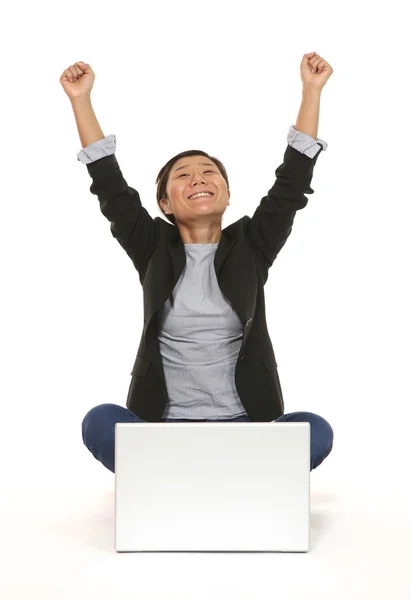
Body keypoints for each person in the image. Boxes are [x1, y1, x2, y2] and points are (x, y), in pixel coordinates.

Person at [60, 53, 334, 474]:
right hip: (163, 430)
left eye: (209, 172)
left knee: (316, 430)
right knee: (99, 421)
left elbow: (292, 184)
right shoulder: (151, 246)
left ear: (226, 194)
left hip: (245, 428)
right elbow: (111, 189)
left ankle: (191, 482)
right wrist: (81, 100)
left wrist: (311, 91)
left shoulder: (252, 245)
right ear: (165, 203)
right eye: (183, 176)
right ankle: (212, 481)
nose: (199, 179)